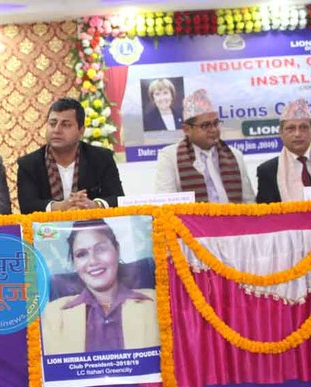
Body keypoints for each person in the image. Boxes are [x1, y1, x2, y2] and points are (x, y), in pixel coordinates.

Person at [40, 219, 160, 355]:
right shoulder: (54, 314)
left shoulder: (155, 302)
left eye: (101, 249)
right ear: (75, 263)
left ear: (117, 250)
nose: (93, 261)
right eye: (81, 254)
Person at [17, 97, 124, 214]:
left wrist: (95, 205)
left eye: (66, 125)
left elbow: (117, 198)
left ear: (81, 130)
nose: (56, 130)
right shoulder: (29, 164)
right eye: (52, 124)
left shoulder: (101, 158)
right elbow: (27, 206)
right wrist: (59, 207)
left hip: (92, 224)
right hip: (47, 226)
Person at [154, 89, 254, 203]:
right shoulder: (169, 157)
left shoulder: (235, 155)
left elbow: (249, 202)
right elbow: (166, 204)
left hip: (233, 215)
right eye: (205, 125)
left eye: (216, 123)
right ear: (187, 129)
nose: (214, 129)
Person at [257, 99, 311, 203]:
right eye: (291, 128)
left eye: (303, 127)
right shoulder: (268, 171)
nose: (298, 134)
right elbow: (265, 211)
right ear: (281, 133)